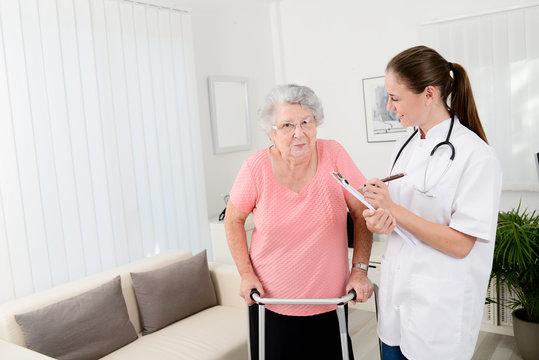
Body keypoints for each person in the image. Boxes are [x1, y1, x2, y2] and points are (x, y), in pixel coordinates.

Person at [362, 45, 502, 360]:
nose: (388, 106)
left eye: (395, 98)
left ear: (428, 94)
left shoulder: (476, 156)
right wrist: (379, 218)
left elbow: (461, 244)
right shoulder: (404, 145)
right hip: (395, 305)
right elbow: (396, 218)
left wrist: (395, 210)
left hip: (438, 314)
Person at [224, 84, 374, 360]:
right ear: (271, 131)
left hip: (330, 304)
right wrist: (246, 274)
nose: (299, 133)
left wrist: (360, 270)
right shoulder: (255, 168)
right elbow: (233, 219)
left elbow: (361, 210)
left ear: (317, 122)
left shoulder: (334, 154)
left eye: (306, 122)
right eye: (287, 125)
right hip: (269, 304)